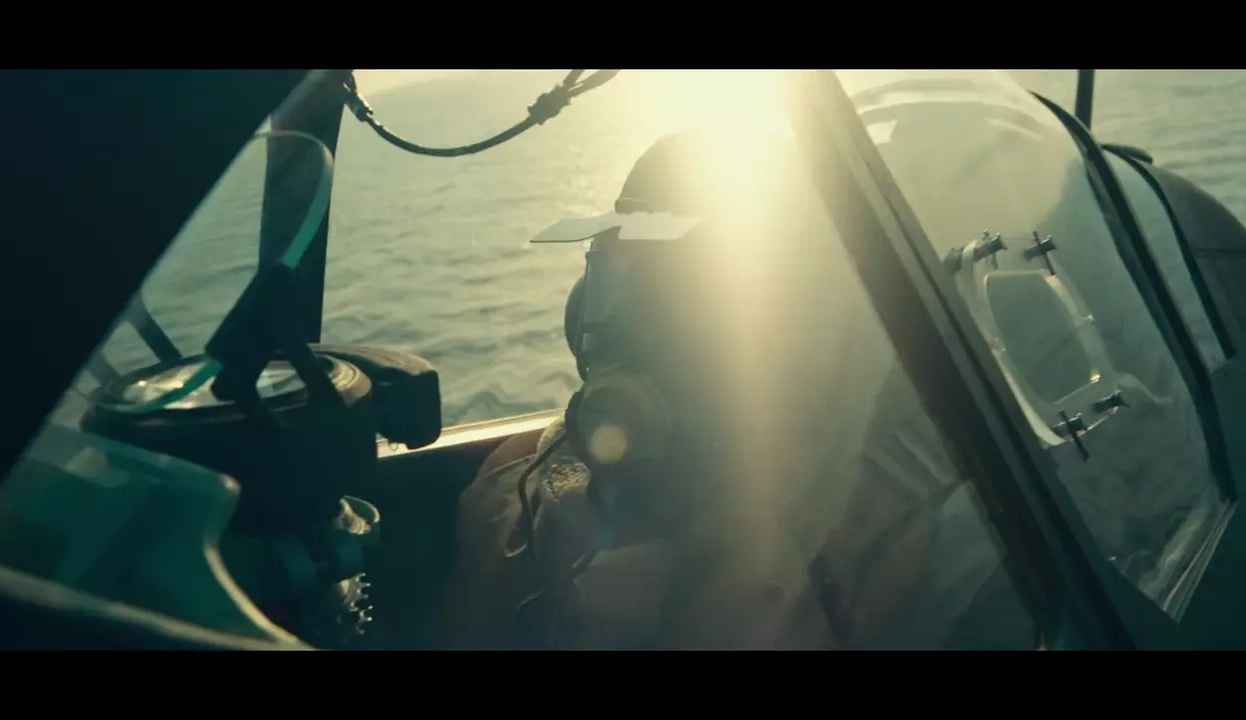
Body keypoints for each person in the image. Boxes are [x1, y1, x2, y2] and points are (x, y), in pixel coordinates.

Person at [435, 126, 1038, 650]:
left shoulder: (876, 549)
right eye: (618, 278)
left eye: (688, 290)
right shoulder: (515, 483)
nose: (627, 326)